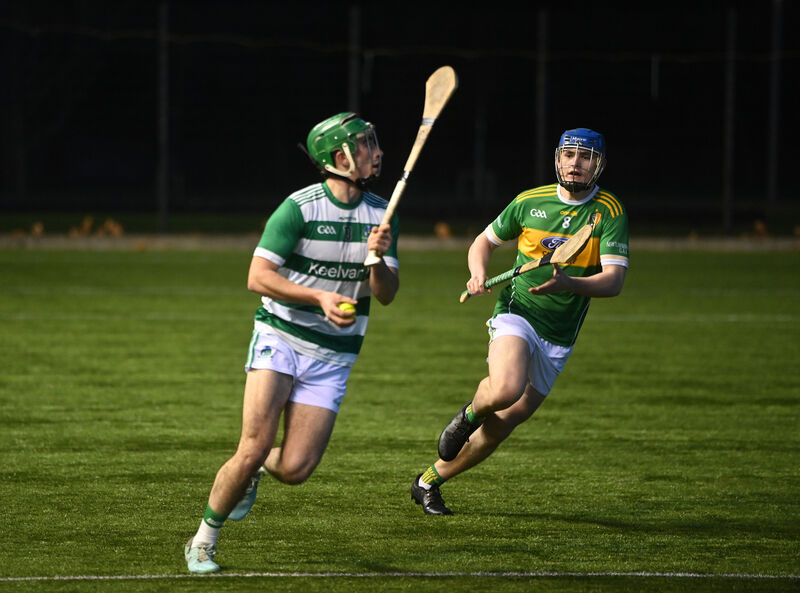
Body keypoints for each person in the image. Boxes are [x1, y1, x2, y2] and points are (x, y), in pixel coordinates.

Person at [184, 112, 399, 573]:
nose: (377, 152)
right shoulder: (298, 208)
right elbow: (257, 277)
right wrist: (318, 296)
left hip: (334, 355)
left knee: (297, 469)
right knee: (253, 445)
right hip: (280, 336)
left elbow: (385, 294)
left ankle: (257, 472)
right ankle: (202, 541)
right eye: (365, 144)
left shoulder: (383, 215)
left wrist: (377, 258)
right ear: (339, 156)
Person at [410, 128, 629, 515]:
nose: (575, 164)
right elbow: (484, 241)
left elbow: (613, 282)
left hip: (560, 334)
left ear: (599, 165)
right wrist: (478, 272)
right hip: (518, 310)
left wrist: (569, 283)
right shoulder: (530, 201)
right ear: (557, 159)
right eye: (569, 155)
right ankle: (469, 414)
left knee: (502, 425)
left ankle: (427, 482)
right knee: (505, 389)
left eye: (585, 157)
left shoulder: (609, 212)